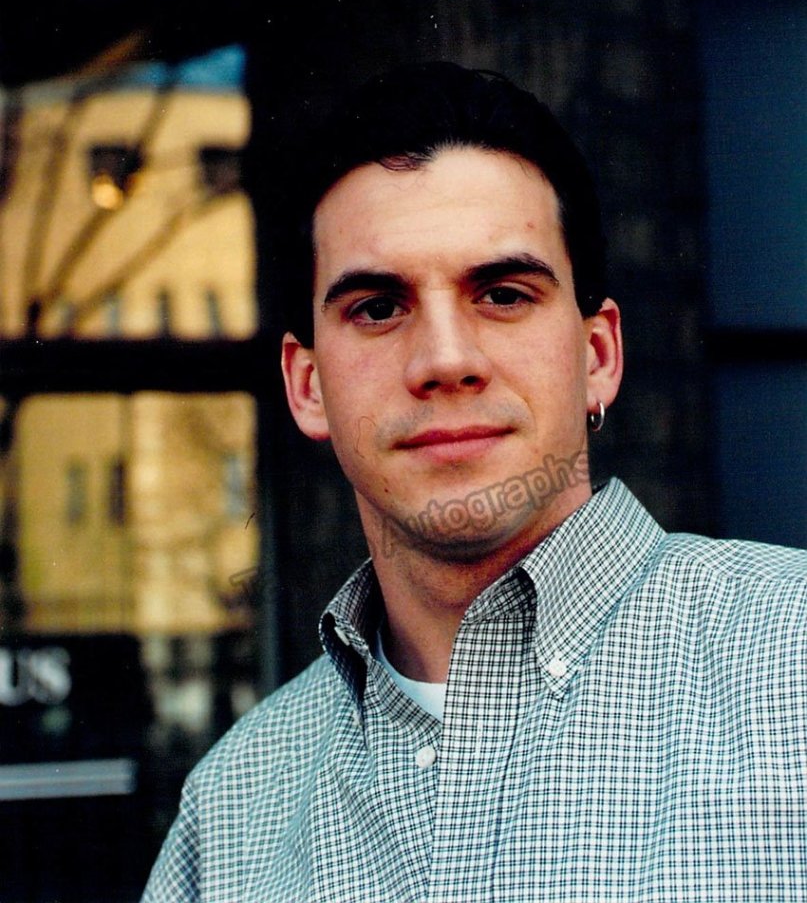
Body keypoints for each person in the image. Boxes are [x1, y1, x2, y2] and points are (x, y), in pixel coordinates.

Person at [143, 63, 807, 902]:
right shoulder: (234, 809)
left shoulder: (791, 665)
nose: (445, 359)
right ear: (306, 386)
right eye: (377, 308)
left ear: (597, 356)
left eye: (500, 293)